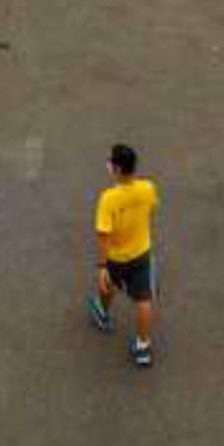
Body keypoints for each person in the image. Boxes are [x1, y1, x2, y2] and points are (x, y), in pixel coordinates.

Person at [87, 142, 159, 369]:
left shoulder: (108, 198)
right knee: (143, 299)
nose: (107, 164)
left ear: (117, 169)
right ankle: (143, 346)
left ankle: (102, 314)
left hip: (116, 258)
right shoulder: (148, 188)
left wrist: (102, 266)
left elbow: (103, 234)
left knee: (108, 284)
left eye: (110, 161)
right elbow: (151, 209)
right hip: (142, 254)